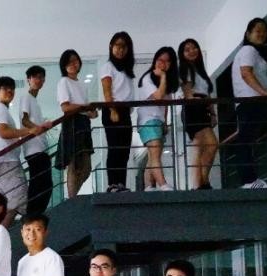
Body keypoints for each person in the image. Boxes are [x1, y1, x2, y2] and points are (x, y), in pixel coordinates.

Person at [0, 76, 47, 227]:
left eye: (12, 89)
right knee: (19, 199)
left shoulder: (2, 110)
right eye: (5, 88)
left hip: (3, 160)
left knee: (5, 202)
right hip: (6, 161)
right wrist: (29, 131)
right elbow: (3, 132)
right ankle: (0, 233)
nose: (9, 91)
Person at [232, 17, 267, 189]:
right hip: (251, 101)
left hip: (251, 102)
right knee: (246, 141)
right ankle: (249, 181)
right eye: (257, 30)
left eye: (264, 31)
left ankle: (250, 180)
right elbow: (246, 73)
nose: (262, 34)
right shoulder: (248, 50)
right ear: (248, 34)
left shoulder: (251, 52)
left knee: (247, 140)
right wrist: (265, 94)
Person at [55, 49, 97, 199]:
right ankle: (72, 199)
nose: (73, 64)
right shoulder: (64, 82)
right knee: (74, 164)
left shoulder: (81, 84)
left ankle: (73, 198)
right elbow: (65, 107)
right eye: (69, 62)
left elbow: (86, 110)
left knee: (86, 168)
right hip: (72, 123)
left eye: (75, 60)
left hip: (83, 123)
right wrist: (84, 108)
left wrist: (90, 111)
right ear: (64, 66)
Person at [136, 47, 179, 191]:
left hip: (157, 121)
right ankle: (163, 184)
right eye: (160, 60)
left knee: (153, 155)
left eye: (167, 61)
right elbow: (159, 97)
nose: (163, 64)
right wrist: (164, 77)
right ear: (155, 60)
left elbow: (165, 104)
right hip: (148, 120)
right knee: (155, 154)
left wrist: (165, 122)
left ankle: (149, 186)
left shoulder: (165, 83)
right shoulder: (148, 78)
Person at [99, 32, 136, 193]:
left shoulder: (126, 69)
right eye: (118, 46)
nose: (121, 50)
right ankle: (112, 184)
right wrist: (112, 109)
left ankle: (120, 183)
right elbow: (107, 90)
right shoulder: (108, 66)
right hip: (112, 109)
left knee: (124, 149)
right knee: (115, 148)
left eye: (124, 47)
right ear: (111, 46)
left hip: (125, 111)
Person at [178, 38, 217, 190]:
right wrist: (191, 99)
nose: (192, 51)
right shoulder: (185, 68)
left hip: (202, 106)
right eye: (187, 49)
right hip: (193, 107)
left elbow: (207, 94)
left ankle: (201, 182)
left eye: (194, 48)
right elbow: (187, 90)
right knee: (206, 145)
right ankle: (200, 183)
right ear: (182, 54)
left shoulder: (201, 71)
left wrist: (213, 113)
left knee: (205, 146)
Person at [19, 65, 53, 213]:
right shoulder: (26, 97)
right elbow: (24, 120)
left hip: (39, 148)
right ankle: (32, 215)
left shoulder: (34, 100)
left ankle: (35, 215)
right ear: (29, 79)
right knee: (41, 184)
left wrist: (41, 127)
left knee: (42, 184)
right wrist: (39, 128)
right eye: (36, 77)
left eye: (41, 77)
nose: (39, 80)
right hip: (33, 149)